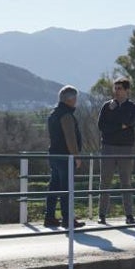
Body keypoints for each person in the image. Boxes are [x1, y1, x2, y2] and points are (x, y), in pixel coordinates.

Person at [97, 76, 135, 225]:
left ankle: (129, 215)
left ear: (127, 90)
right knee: (105, 181)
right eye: (115, 88)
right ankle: (101, 214)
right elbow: (101, 126)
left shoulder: (133, 106)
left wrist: (115, 125)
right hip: (108, 147)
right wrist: (119, 126)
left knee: (126, 182)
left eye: (119, 88)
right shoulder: (106, 106)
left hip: (125, 147)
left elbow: (130, 122)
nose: (116, 91)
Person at [44, 85, 85, 229]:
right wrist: (76, 156)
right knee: (67, 189)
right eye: (75, 98)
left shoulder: (53, 114)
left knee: (54, 187)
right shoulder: (66, 115)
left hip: (54, 155)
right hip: (65, 157)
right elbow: (70, 138)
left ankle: (49, 217)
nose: (76, 101)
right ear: (70, 99)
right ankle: (68, 219)